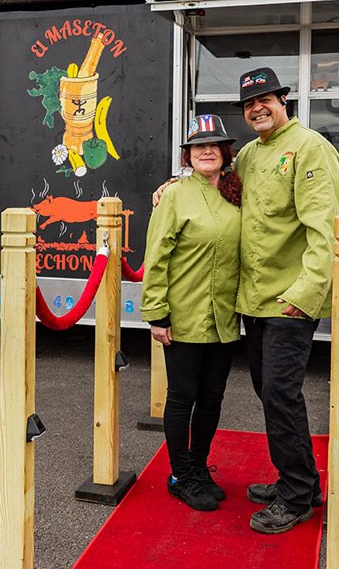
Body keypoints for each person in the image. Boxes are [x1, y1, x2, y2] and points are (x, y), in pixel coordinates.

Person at [232, 66, 339, 534]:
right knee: (272, 393)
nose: (258, 107)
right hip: (255, 298)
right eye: (249, 103)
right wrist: (173, 186)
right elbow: (217, 189)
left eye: (267, 99)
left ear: (284, 102)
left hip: (290, 298)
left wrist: (307, 293)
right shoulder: (249, 156)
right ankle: (299, 481)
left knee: (279, 392)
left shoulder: (310, 147)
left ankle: (297, 497)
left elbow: (324, 229)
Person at [141, 114, 243, 512]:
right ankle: (180, 475)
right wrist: (156, 313)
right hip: (184, 315)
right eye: (199, 145)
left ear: (224, 152)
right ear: (188, 154)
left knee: (213, 397)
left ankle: (199, 467)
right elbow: (157, 256)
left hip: (224, 317)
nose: (206, 150)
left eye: (213, 145)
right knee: (182, 397)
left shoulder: (237, 192)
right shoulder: (174, 196)